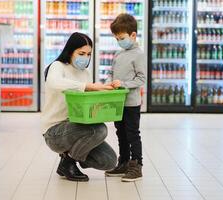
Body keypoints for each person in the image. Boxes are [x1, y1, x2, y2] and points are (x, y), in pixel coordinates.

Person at [41, 32, 117, 182]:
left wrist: (108, 88)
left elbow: (87, 100)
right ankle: (69, 162)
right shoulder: (57, 66)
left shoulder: (85, 73)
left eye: (88, 54)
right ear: (70, 51)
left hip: (78, 127)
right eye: (81, 53)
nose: (85, 57)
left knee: (109, 161)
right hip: (55, 131)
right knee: (99, 129)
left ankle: (69, 157)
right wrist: (87, 86)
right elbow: (54, 83)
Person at [105, 14, 146, 182]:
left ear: (133, 35)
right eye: (117, 38)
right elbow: (110, 73)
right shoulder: (118, 54)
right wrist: (107, 83)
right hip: (117, 102)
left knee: (132, 134)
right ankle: (123, 162)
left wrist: (123, 84)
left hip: (131, 103)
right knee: (120, 133)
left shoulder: (138, 54)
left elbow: (141, 79)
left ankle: (136, 166)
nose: (119, 41)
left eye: (121, 38)